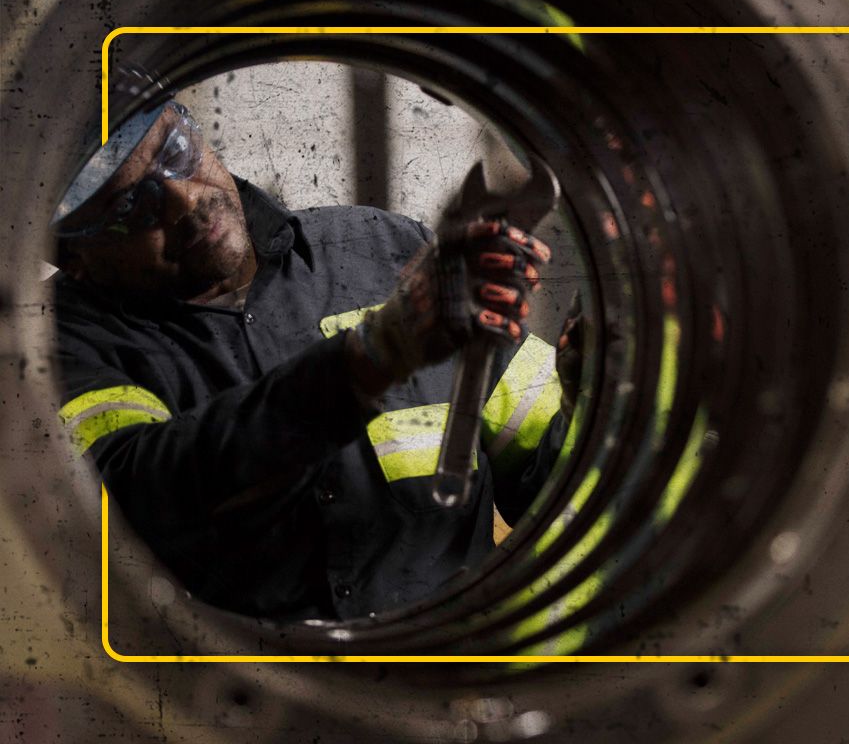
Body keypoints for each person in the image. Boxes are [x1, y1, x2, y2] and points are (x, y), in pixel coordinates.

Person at [50, 98, 578, 621]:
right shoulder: (55, 345)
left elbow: (545, 482)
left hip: (456, 679)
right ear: (73, 259)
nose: (184, 202)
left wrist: (589, 388)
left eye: (176, 152)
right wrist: (371, 357)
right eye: (131, 208)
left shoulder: (386, 248)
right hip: (248, 696)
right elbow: (142, 502)